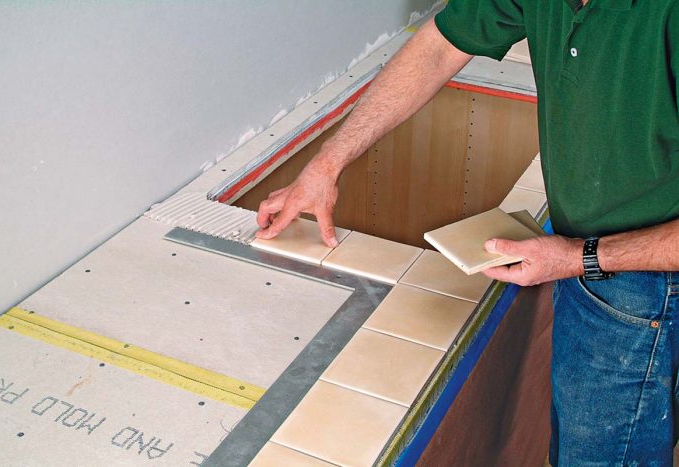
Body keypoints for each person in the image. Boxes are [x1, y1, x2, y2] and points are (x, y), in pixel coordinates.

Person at [255, 0, 679, 464]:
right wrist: (327, 162)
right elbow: (439, 46)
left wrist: (581, 257)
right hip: (588, 258)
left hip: (648, 286)